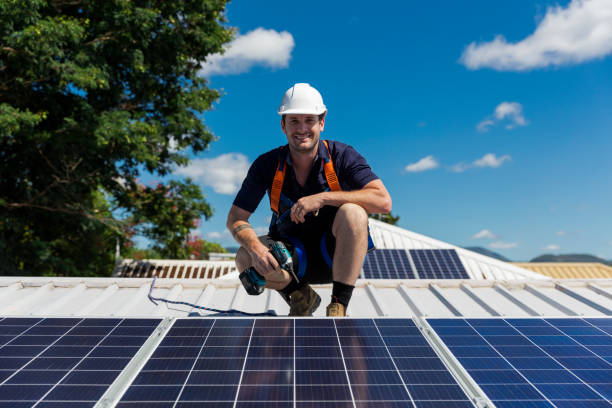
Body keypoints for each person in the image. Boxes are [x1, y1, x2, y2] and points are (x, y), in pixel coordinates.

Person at [226, 83, 391, 316]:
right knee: (244, 256)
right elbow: (235, 218)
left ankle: (338, 305)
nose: (302, 128)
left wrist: (323, 198)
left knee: (354, 213)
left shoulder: (342, 156)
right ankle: (300, 296)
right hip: (292, 262)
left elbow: (383, 201)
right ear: (283, 125)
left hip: (334, 255)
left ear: (321, 123)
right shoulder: (267, 164)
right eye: (294, 121)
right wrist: (256, 250)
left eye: (309, 120)